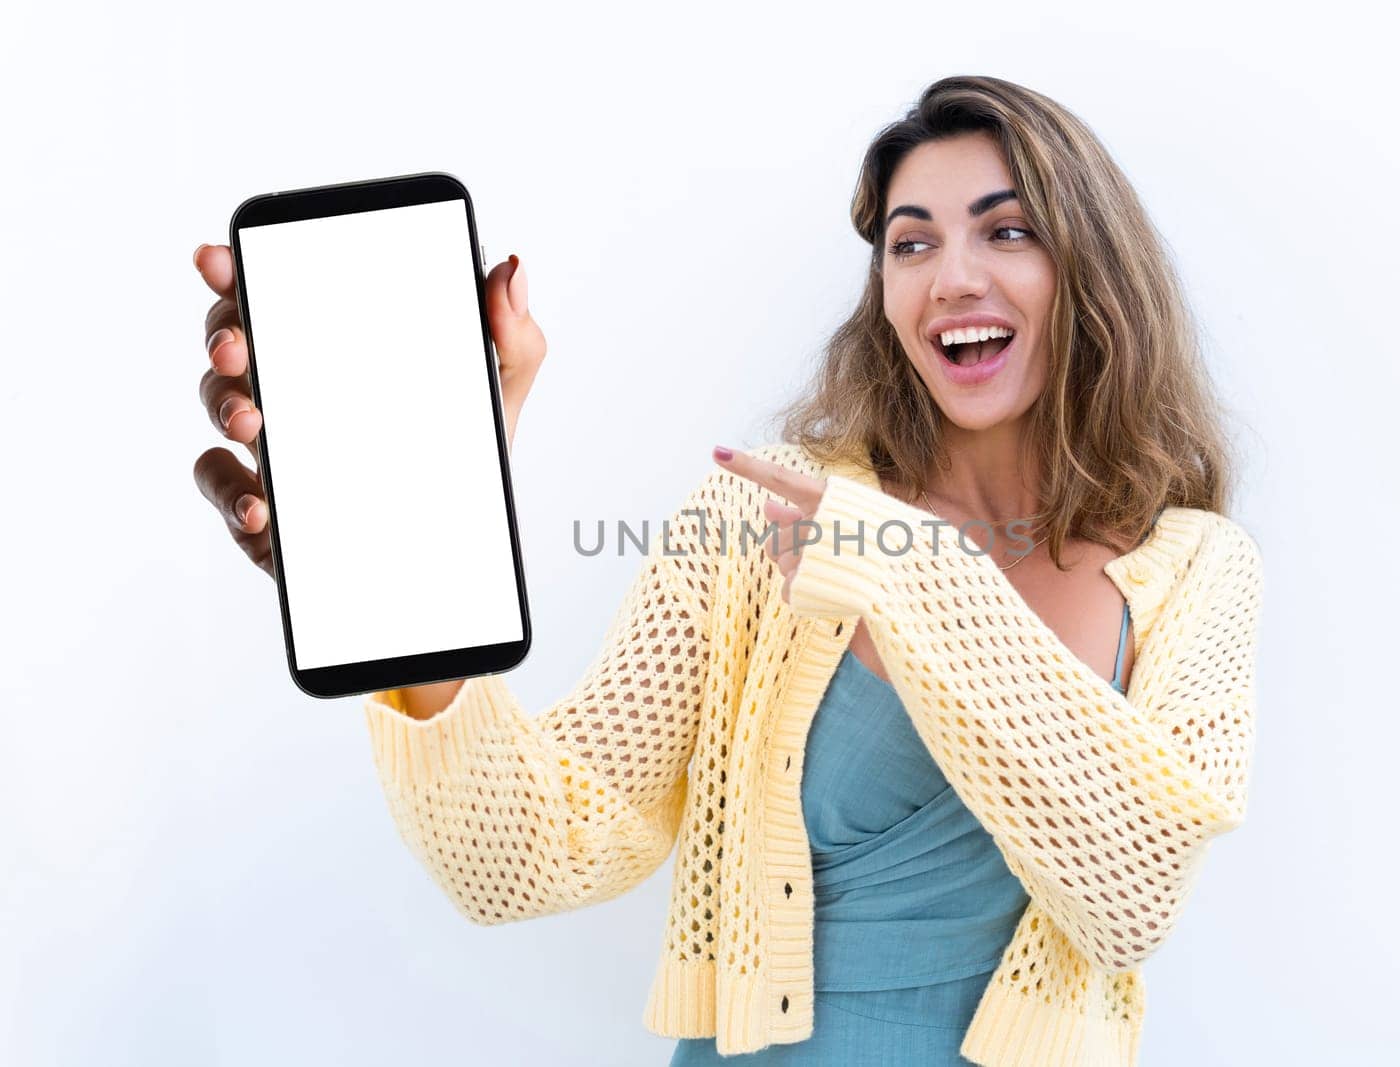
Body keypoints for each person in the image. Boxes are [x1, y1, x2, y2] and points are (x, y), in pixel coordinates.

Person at [191, 74, 1264, 1067]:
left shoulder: (1196, 566)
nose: (953, 277)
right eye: (910, 242)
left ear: (1088, 265)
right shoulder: (765, 516)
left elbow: (1129, 896)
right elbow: (526, 855)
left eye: (1008, 230)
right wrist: (424, 566)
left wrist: (905, 579)